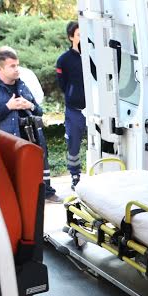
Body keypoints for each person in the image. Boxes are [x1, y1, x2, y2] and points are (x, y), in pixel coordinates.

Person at [0, 48, 58, 201]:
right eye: (12, 66)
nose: (17, 69)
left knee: (36, 171)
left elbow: (39, 111)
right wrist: (7, 107)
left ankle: (45, 194)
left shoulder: (22, 85)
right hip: (10, 143)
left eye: (17, 65)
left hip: (32, 139)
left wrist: (30, 105)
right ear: (0, 69)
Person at [56, 21, 86, 191]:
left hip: (94, 109)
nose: (83, 38)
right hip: (74, 109)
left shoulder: (91, 56)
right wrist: (73, 94)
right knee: (73, 144)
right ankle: (75, 177)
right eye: (79, 35)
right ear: (71, 37)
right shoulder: (63, 60)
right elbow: (63, 85)